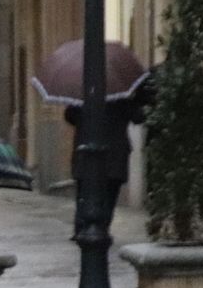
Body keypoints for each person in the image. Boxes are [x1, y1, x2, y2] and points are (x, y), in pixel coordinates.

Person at [63, 81, 151, 233]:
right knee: (108, 196)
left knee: (85, 193)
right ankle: (100, 229)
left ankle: (82, 228)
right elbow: (138, 116)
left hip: (87, 154)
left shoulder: (85, 91)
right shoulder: (121, 97)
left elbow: (70, 115)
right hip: (113, 156)